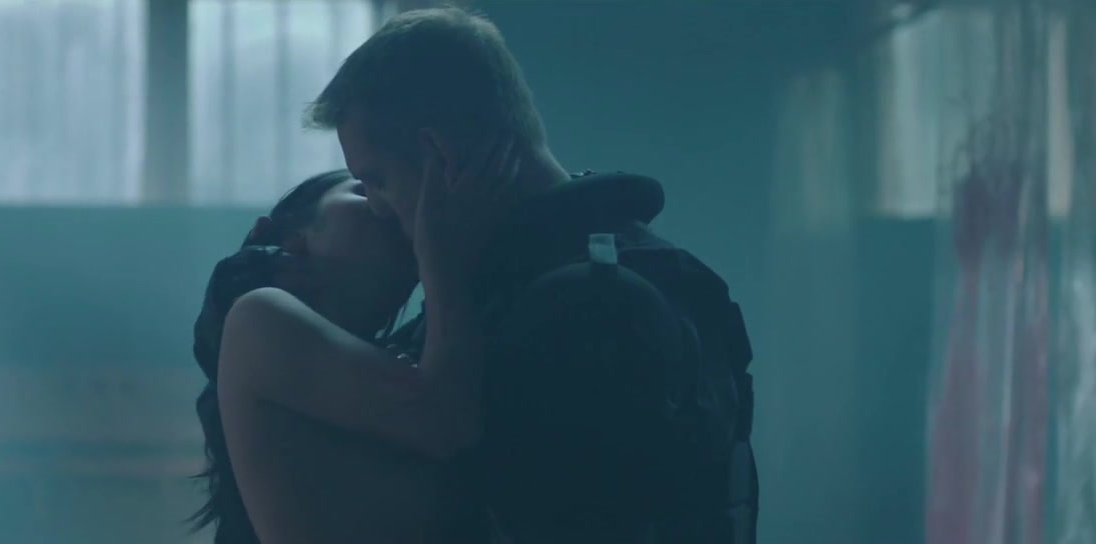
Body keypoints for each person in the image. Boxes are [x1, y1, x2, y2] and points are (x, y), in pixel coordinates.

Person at [303, 7, 759, 543]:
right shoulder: (642, 267)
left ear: (440, 156)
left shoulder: (578, 309)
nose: (376, 209)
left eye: (377, 180)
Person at [191, 160, 516, 543]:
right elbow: (448, 422)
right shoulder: (255, 314)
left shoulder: (395, 361)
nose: (391, 206)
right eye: (366, 188)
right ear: (293, 235)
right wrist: (441, 259)